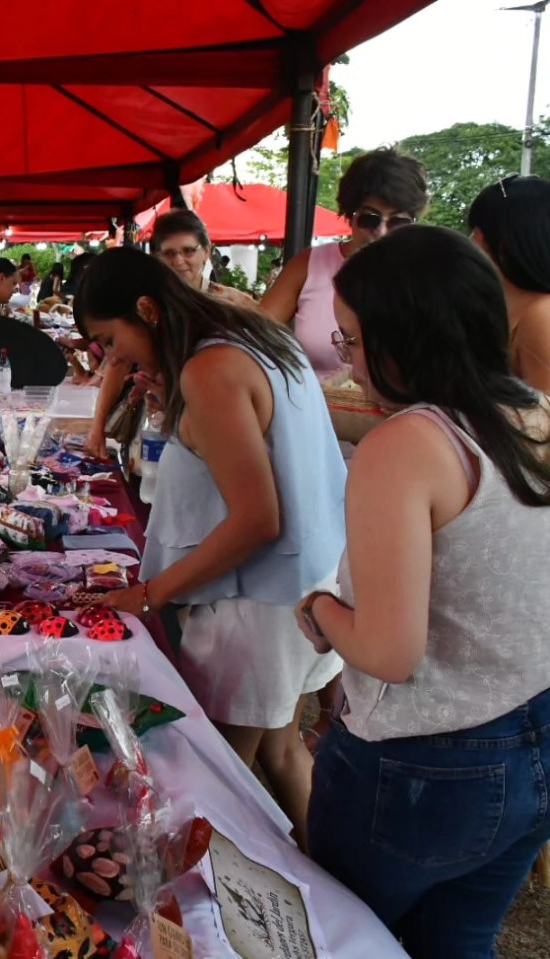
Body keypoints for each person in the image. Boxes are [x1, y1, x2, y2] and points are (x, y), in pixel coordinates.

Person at [300, 226, 550, 957]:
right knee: (460, 941)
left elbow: (386, 649)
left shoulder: (407, 445)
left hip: (422, 766)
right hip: (534, 733)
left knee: (347, 940)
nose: (345, 363)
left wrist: (318, 608)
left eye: (348, 341)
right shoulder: (533, 411)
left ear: (402, 337)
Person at [78, 247, 345, 844]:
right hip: (308, 588)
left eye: (109, 339)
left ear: (147, 309)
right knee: (280, 754)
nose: (111, 358)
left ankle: (241, 920)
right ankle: (338, 899)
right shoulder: (253, 338)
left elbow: (257, 520)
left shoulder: (210, 367)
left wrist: (151, 594)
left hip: (256, 606)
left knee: (221, 789)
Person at [85, 214, 255, 460]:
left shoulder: (233, 305)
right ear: (157, 258)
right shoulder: (148, 305)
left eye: (188, 251)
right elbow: (118, 362)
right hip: (155, 425)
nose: (179, 261)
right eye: (169, 253)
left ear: (207, 252)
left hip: (214, 425)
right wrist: (97, 428)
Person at [260, 147, 428, 380]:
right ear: (350, 215)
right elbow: (256, 335)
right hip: (316, 407)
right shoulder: (310, 264)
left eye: (398, 222)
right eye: (370, 218)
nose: (380, 233)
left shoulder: (426, 276)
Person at [466, 174, 550, 393]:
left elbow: (542, 422)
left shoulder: (542, 314)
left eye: (474, 232)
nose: (468, 243)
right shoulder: (494, 308)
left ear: (501, 245)